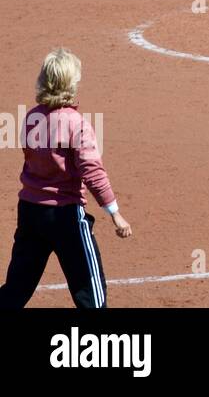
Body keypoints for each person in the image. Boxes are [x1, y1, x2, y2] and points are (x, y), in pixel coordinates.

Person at [0, 48, 132, 309]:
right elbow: (92, 172)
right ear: (70, 85)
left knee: (16, 288)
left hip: (30, 212)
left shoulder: (30, 118)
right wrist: (115, 213)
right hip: (65, 217)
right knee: (90, 292)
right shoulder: (77, 123)